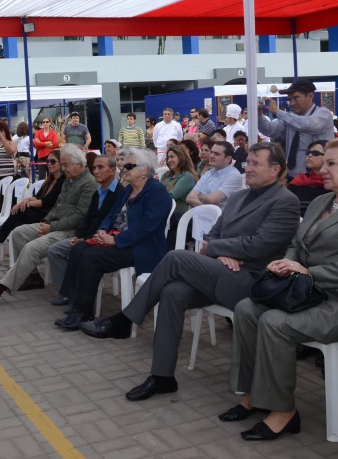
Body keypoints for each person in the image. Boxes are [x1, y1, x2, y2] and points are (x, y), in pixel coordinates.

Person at [81, 143, 300, 403]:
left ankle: (126, 319)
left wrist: (218, 248)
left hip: (251, 281)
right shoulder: (240, 197)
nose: (247, 168)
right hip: (223, 270)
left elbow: (261, 245)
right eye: (248, 162)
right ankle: (162, 377)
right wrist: (221, 251)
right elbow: (211, 235)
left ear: (275, 170)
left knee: (175, 257)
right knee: (173, 292)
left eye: (255, 164)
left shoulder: (286, 201)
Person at [225, 138, 338, 442]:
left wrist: (307, 271)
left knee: (274, 323)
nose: (322, 169)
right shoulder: (324, 202)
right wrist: (287, 262)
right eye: (323, 162)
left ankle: (283, 412)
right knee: (246, 309)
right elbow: (297, 244)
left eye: (331, 163)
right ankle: (254, 395)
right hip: (309, 292)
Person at [56, 148, 172, 329]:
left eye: (129, 166)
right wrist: (102, 231)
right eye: (124, 165)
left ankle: (84, 312)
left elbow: (147, 227)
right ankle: (76, 304)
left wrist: (115, 241)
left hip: (142, 247)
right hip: (118, 240)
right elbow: (111, 214)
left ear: (145, 169)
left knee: (92, 257)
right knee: (80, 249)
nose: (124, 169)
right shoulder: (128, 190)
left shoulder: (157, 192)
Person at [0, 144, 97, 303]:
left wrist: (51, 227)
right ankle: (32, 277)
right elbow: (56, 206)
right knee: (18, 233)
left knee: (32, 247)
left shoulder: (88, 183)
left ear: (78, 164)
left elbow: (80, 217)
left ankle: (0, 288)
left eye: (65, 164)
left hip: (70, 231)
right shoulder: (69, 181)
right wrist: (46, 222)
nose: (63, 168)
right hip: (54, 225)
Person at [49, 155, 120, 301]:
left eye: (100, 167)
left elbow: (110, 225)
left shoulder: (119, 193)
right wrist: (78, 236)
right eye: (94, 167)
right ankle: (69, 290)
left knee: (79, 251)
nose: (96, 171)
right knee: (55, 251)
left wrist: (85, 239)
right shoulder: (98, 192)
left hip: (102, 239)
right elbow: (87, 218)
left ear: (113, 170)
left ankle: (73, 296)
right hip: (86, 236)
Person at [0, 150, 64, 250]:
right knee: (17, 213)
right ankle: (2, 241)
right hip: (40, 211)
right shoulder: (50, 180)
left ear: (61, 163)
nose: (49, 164)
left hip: (49, 215)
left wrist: (26, 204)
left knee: (19, 213)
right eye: (47, 161)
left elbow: (45, 202)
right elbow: (37, 196)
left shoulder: (62, 182)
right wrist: (25, 201)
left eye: (52, 161)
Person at [259, 80, 334, 179]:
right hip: (293, 175)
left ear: (310, 96)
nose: (292, 103)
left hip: (317, 176)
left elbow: (307, 125)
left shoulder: (323, 113)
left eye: (296, 98)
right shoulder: (291, 118)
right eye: (290, 99)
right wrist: (259, 115)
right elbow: (270, 130)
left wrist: (278, 112)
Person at [186, 141, 243, 209]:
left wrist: (199, 197)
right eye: (212, 152)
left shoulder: (234, 176)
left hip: (219, 218)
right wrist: (207, 206)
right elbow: (189, 198)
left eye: (216, 154)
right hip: (199, 216)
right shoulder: (208, 173)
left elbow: (212, 199)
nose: (211, 156)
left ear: (228, 159)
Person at [287, 140, 330, 216]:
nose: (309, 155)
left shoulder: (331, 184)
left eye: (315, 153)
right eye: (308, 152)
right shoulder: (299, 180)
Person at [161, 145, 197, 213]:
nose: (169, 160)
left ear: (181, 157)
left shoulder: (187, 176)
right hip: (163, 210)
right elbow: (156, 192)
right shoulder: (166, 175)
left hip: (177, 215)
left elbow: (170, 197)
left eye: (172, 157)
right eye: (168, 157)